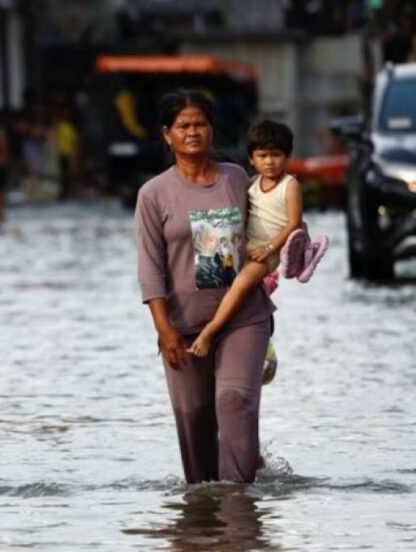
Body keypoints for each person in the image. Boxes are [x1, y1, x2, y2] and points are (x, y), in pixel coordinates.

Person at [135, 89, 274, 484]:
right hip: (183, 325)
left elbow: (268, 228)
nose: (192, 132)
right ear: (167, 135)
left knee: (235, 400)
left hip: (243, 318)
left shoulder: (235, 178)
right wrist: (165, 331)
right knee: (194, 421)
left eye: (200, 124)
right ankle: (201, 520)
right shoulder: (153, 194)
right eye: (183, 125)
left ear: (212, 130)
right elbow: (150, 268)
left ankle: (237, 501)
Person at [189, 120, 328, 357]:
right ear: (252, 159)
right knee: (213, 274)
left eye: (276, 155)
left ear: (287, 157)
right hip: (248, 246)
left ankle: (209, 331)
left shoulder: (289, 185)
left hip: (271, 251)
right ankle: (221, 326)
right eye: (263, 155)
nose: (270, 161)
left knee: (242, 282)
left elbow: (294, 222)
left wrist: (269, 248)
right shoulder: (253, 183)